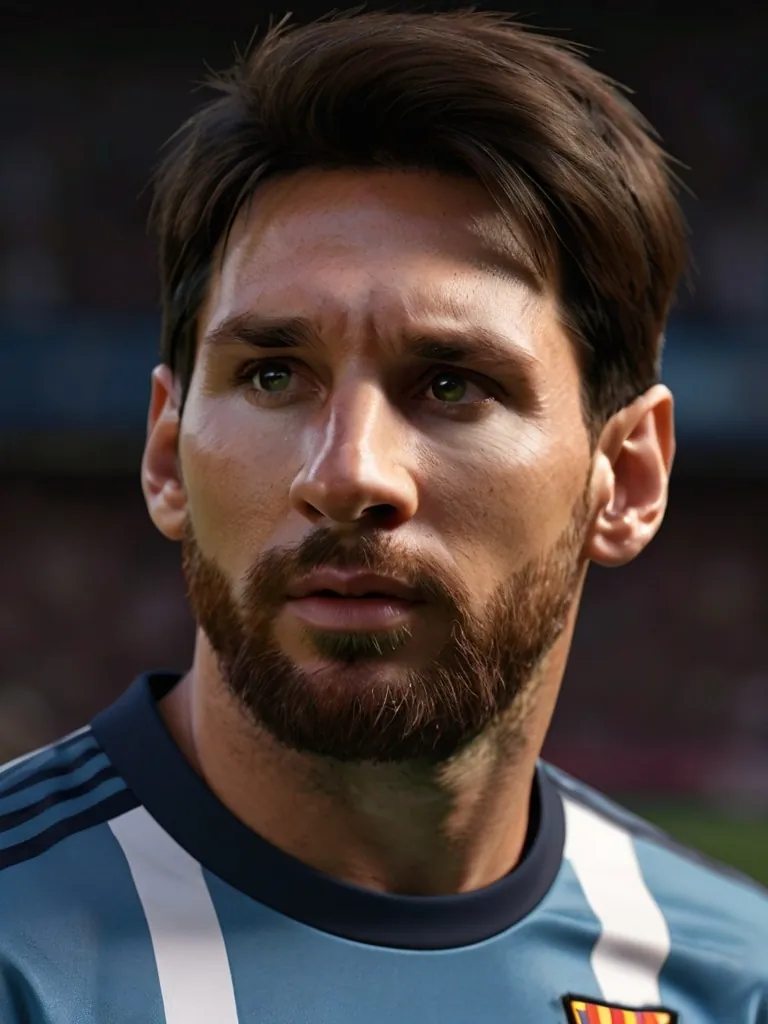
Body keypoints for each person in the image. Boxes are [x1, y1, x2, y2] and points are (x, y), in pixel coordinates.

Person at [0, 10, 765, 1023]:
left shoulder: (734, 979)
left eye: (451, 385)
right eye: (273, 375)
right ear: (166, 455)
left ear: (624, 477)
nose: (348, 473)